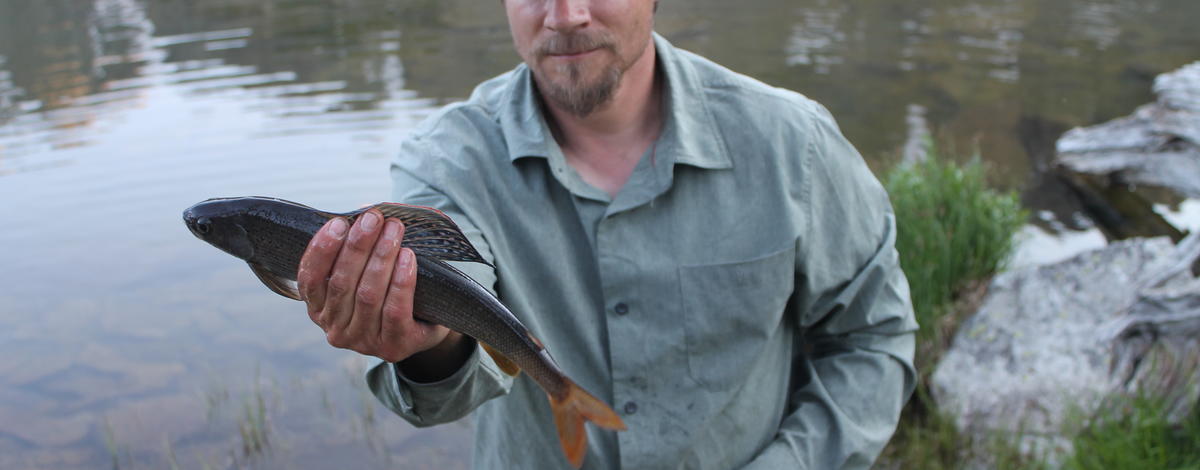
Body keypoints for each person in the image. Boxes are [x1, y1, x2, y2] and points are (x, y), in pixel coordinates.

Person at [296, 0, 918, 468]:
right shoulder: (447, 159)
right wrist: (428, 341)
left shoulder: (793, 144)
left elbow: (872, 339)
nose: (565, 15)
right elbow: (459, 298)